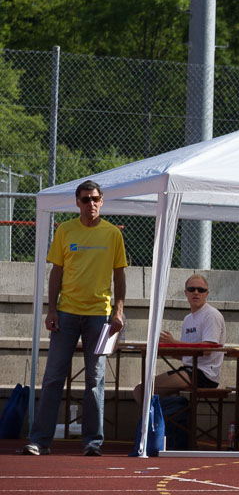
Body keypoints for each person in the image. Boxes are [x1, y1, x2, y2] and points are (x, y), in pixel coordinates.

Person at [22, 180, 128, 456]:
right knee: (54, 376)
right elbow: (56, 271)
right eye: (84, 199)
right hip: (66, 314)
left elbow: (120, 274)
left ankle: (93, 442)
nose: (90, 204)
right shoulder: (65, 230)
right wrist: (52, 309)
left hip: (101, 317)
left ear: (101, 201)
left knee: (96, 379)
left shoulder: (113, 234)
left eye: (94, 199)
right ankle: (40, 441)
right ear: (76, 202)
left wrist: (118, 311)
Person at [133, 274, 226, 406]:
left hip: (205, 374)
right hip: (188, 370)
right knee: (139, 390)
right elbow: (184, 354)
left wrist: (173, 343)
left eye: (201, 290)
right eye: (192, 289)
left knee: (145, 391)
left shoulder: (211, 315)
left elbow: (207, 350)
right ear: (185, 293)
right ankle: (168, 418)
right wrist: (165, 348)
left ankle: (162, 421)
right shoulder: (188, 319)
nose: (196, 292)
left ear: (207, 293)